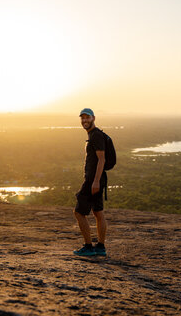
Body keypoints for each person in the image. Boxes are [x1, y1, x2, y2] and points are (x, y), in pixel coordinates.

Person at [73, 108, 108, 256]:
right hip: (96, 179)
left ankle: (88, 247)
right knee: (98, 212)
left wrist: (95, 182)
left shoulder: (96, 136)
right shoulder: (94, 134)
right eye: (82, 118)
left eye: (87, 118)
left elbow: (102, 159)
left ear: (93, 118)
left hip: (93, 180)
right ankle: (100, 247)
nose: (84, 121)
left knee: (79, 213)